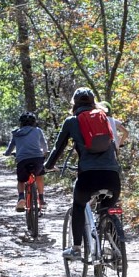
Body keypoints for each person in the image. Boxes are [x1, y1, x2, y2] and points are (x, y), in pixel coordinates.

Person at [45, 87, 122, 261]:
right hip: (112, 176)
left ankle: (76, 248)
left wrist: (47, 166)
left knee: (79, 205)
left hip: (88, 176)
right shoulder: (105, 118)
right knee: (107, 209)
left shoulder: (72, 121)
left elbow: (59, 148)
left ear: (74, 103)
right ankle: (117, 249)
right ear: (93, 102)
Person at [4, 112, 49, 212]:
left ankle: (21, 198)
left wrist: (6, 154)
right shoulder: (38, 131)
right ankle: (41, 199)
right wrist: (45, 152)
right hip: (37, 158)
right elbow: (44, 145)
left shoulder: (16, 133)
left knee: (21, 180)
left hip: (23, 160)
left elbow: (10, 148)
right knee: (39, 176)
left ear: (21, 123)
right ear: (34, 122)